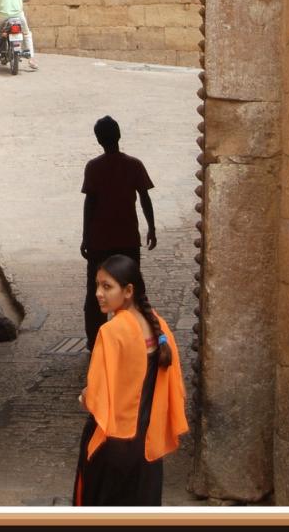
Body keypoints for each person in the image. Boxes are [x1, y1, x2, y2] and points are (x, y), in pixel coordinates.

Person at [73, 254, 188, 506]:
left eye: (107, 286)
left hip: (112, 444)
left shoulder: (111, 331)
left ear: (128, 291)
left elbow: (96, 398)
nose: (98, 293)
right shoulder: (159, 327)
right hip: (148, 444)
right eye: (97, 285)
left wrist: (83, 396)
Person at [80, 116, 156, 350]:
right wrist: (151, 227)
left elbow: (90, 204)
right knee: (132, 291)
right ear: (119, 135)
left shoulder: (94, 167)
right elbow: (144, 198)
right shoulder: (134, 165)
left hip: (100, 241)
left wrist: (85, 236)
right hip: (127, 239)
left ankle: (96, 342)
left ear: (98, 140)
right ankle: (136, 337)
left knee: (97, 294)